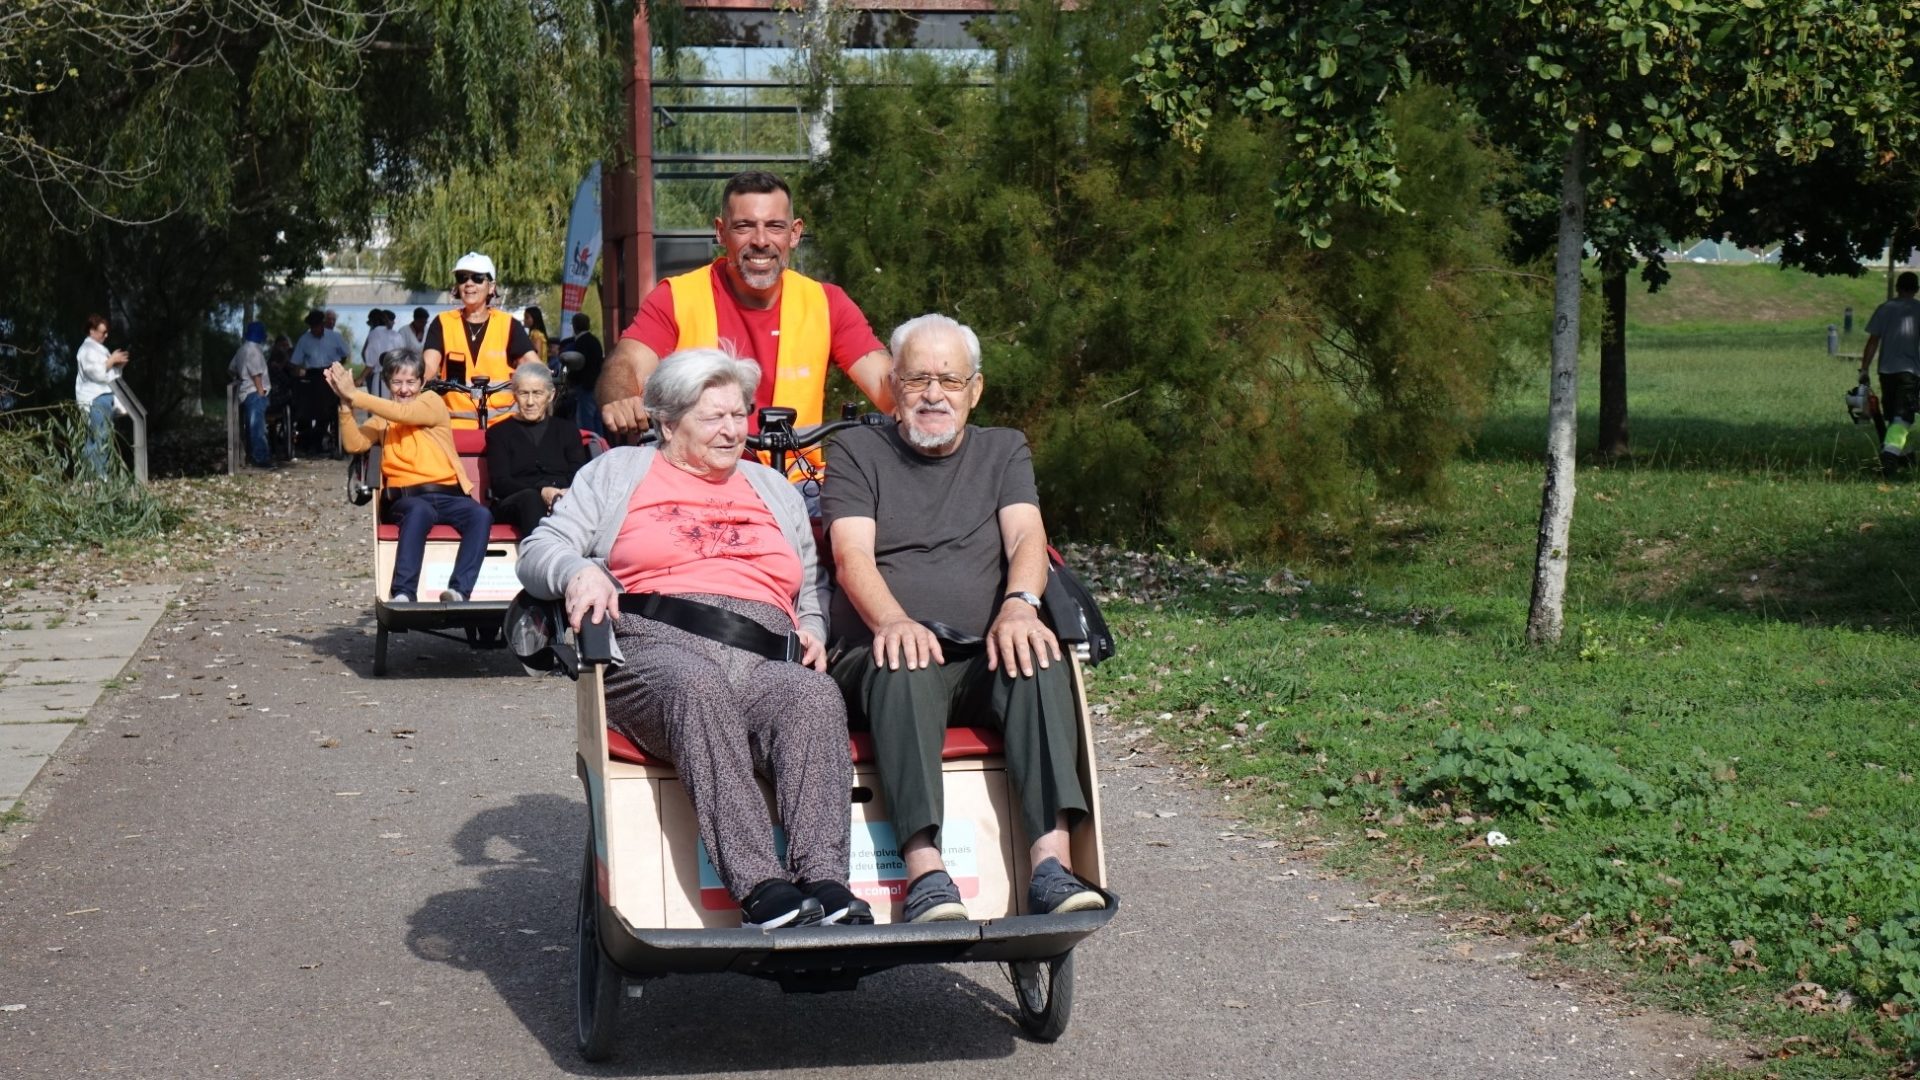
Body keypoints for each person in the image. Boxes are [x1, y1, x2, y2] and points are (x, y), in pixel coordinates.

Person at [517, 347, 865, 929]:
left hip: (764, 652)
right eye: (715, 418)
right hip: (655, 645)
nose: (734, 431)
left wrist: (814, 625)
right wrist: (578, 572)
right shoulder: (617, 472)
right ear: (668, 421)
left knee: (813, 697)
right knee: (696, 686)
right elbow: (538, 550)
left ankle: (825, 881)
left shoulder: (770, 487)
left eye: (740, 415)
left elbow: (810, 581)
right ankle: (759, 884)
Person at [824, 314, 1104, 924]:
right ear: (893, 384)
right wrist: (894, 621)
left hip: (980, 652)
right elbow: (850, 555)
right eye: (919, 378)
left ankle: (1051, 868)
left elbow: (1027, 534)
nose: (933, 395)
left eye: (949, 381)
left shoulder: (1003, 448)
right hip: (879, 653)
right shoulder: (855, 450)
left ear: (974, 390)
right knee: (905, 663)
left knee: (1037, 656)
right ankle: (925, 872)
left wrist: (1018, 606)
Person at [597, 170, 894, 444]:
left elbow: (883, 381)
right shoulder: (677, 297)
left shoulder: (827, 304)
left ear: (794, 233)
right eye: (744, 227)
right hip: (700, 479)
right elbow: (626, 364)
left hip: (797, 482)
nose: (761, 241)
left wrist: (923, 398)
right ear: (721, 231)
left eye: (775, 226)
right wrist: (622, 397)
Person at [327, 351, 493, 604]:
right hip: (406, 499)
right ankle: (403, 592)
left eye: (410, 382)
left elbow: (405, 414)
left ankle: (460, 590)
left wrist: (355, 394)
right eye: (397, 382)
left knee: (480, 515)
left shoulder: (431, 402)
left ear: (421, 383)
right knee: (419, 512)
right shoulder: (383, 418)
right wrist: (345, 404)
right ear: (388, 384)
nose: (404, 389)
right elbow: (354, 443)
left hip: (448, 493)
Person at [422, 252, 539, 429]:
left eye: (477, 278)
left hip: (504, 425)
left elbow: (532, 364)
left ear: (491, 287)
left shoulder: (508, 324)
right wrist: (415, 380)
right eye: (462, 278)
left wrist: (539, 376)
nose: (469, 283)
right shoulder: (442, 323)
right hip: (455, 425)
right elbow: (429, 366)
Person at [485, 362, 586, 537]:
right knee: (531, 498)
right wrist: (542, 490)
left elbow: (579, 474)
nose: (530, 402)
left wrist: (561, 493)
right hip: (515, 501)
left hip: (563, 498)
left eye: (537, 393)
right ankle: (540, 558)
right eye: (524, 393)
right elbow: (501, 483)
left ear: (550, 395)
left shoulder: (567, 430)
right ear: (515, 395)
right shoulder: (498, 433)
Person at [1861, 270, 1920, 477]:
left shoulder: (1884, 308)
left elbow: (1873, 341)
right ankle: (1890, 457)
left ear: (1897, 288)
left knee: (1894, 414)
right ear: (1916, 289)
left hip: (1886, 371)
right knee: (1903, 417)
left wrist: (1864, 369)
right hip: (1910, 371)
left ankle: (1906, 455)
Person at [73, 313, 128, 475]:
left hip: (103, 396)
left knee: (100, 438)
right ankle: (98, 476)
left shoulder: (99, 350)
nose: (106, 335)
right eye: (102, 332)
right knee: (100, 437)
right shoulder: (86, 350)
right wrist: (111, 361)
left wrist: (118, 366)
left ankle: (94, 475)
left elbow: (110, 376)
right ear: (92, 331)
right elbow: (96, 373)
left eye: (106, 332)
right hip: (94, 398)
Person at [291, 309, 350, 455]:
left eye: (317, 326)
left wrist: (337, 367)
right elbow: (296, 361)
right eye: (312, 326)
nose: (315, 329)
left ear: (322, 324)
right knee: (309, 407)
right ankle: (308, 441)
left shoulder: (334, 337)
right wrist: (298, 376)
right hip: (313, 375)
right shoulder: (304, 340)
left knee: (328, 408)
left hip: (330, 373)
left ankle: (325, 441)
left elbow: (345, 353)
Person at [230, 321, 277, 469]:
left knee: (252, 426)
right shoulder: (254, 351)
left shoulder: (242, 349)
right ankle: (261, 459)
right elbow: (256, 374)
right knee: (258, 427)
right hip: (255, 392)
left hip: (245, 392)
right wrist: (261, 392)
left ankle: (254, 456)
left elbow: (231, 369)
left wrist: (240, 378)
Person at [562, 312, 605, 437]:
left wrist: (570, 381)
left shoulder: (581, 343)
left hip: (585, 387)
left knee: (586, 421)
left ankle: (590, 448)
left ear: (574, 326)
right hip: (597, 385)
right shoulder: (594, 341)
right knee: (597, 420)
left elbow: (578, 365)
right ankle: (600, 446)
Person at [361, 309, 406, 398]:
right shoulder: (397, 335)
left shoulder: (374, 334)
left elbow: (370, 362)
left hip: (381, 377)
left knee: (379, 408)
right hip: (397, 376)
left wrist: (361, 378)